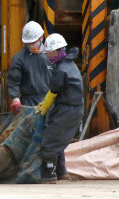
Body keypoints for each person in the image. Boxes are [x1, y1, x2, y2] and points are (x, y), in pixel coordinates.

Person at [36, 33, 83, 182]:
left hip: (67, 110)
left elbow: (53, 92)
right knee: (58, 141)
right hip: (73, 109)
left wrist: (43, 108)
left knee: (49, 143)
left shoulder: (61, 69)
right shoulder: (70, 65)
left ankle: (48, 175)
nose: (48, 55)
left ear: (58, 50)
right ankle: (62, 172)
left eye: (50, 52)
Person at [8, 21, 53, 114]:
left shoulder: (52, 56)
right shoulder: (19, 58)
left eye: (33, 42)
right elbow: (14, 82)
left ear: (41, 38)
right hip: (28, 103)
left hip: (49, 101)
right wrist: (15, 99)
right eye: (28, 43)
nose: (31, 46)